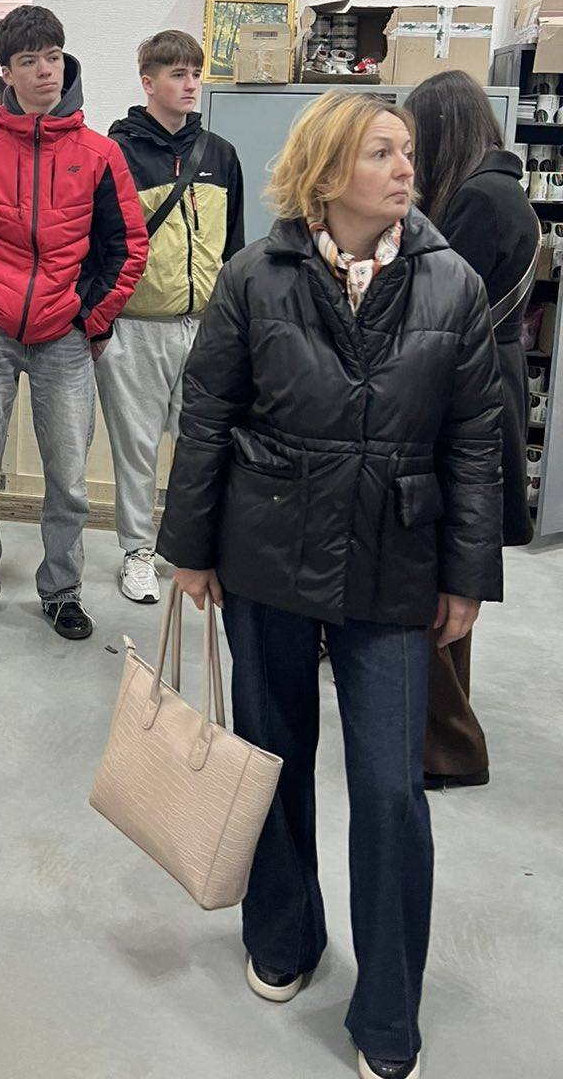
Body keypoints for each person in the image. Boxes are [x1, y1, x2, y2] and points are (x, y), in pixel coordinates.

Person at [158, 89, 502, 1079]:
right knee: (270, 758)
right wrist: (190, 548)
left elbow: (478, 440)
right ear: (324, 170)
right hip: (268, 548)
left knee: (392, 791)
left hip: (396, 562)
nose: (405, 168)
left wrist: (467, 576)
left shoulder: (451, 282)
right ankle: (283, 934)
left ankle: (389, 1009)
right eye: (380, 152)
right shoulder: (253, 277)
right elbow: (207, 414)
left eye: (407, 151)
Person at [0, 4, 148, 640]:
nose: (45, 71)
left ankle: (62, 590)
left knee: (69, 481)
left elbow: (127, 246)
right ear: (7, 73)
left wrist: (90, 318)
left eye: (52, 57)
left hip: (64, 339)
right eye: (29, 61)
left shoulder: (100, 153)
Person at [405, 69, 539, 790]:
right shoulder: (501, 189)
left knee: (439, 568)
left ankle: (448, 744)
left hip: (468, 387)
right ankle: (442, 735)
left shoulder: (480, 200)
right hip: (489, 378)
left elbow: (439, 307)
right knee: (449, 570)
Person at [97, 30, 244, 603]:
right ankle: (137, 550)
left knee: (203, 443)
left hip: (206, 326)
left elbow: (234, 247)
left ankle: (191, 548)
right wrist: (100, 320)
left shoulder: (221, 154)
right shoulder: (116, 154)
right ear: (148, 82)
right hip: (136, 326)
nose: (190, 85)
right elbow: (99, 243)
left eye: (195, 73)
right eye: (177, 74)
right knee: (135, 447)